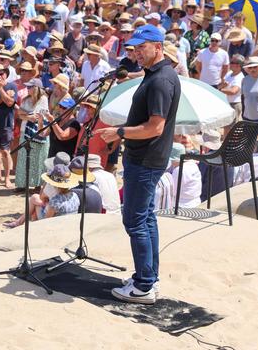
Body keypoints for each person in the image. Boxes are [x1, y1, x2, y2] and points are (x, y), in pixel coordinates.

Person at [99, 24, 181, 304]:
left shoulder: (161, 80)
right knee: (145, 218)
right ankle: (148, 277)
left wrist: (120, 132)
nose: (136, 53)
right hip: (145, 156)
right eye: (133, 48)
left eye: (141, 48)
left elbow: (154, 127)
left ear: (157, 47)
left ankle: (144, 285)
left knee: (134, 220)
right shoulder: (157, 74)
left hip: (146, 159)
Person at [14, 78, 50, 190]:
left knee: (39, 159)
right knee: (23, 158)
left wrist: (26, 116)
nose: (27, 89)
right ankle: (21, 184)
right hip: (25, 131)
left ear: (36, 88)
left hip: (38, 131)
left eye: (30, 87)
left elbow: (36, 116)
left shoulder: (43, 99)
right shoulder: (26, 99)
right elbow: (19, 113)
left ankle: (38, 185)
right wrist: (27, 116)